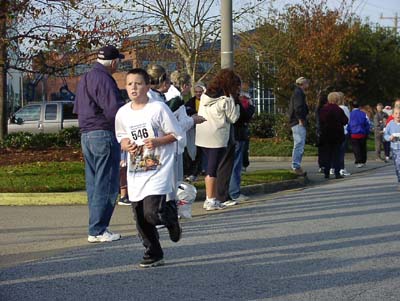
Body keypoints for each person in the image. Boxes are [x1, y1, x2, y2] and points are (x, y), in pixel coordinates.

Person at [115, 68, 183, 268]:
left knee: (151, 213)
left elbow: (175, 134)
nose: (133, 88)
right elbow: (121, 136)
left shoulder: (158, 108)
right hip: (136, 169)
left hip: (158, 167)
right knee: (139, 216)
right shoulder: (123, 113)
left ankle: (170, 218)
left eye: (138, 83)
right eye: (129, 84)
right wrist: (126, 144)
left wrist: (157, 141)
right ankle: (153, 252)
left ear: (146, 86)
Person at [73, 45, 125, 243]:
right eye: (118, 61)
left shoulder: (86, 77)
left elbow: (77, 107)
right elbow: (113, 110)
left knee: (94, 183)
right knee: (108, 183)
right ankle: (98, 229)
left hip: (87, 134)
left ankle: (95, 227)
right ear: (113, 62)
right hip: (103, 133)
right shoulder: (104, 79)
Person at [195, 68, 240, 210]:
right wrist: (237, 103)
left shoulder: (205, 96)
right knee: (212, 169)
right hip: (217, 136)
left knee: (210, 166)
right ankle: (210, 199)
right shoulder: (226, 99)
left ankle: (212, 198)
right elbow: (233, 118)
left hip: (203, 135)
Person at [228, 92, 255, 203]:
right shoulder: (237, 103)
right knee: (236, 165)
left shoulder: (228, 100)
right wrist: (251, 106)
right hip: (238, 135)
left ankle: (229, 191)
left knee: (231, 165)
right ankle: (234, 192)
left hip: (231, 135)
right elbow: (245, 116)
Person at [318, 92, 349, 179]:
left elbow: (320, 121)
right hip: (337, 134)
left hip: (326, 134)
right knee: (336, 154)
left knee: (327, 154)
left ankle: (327, 172)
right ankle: (337, 172)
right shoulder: (338, 110)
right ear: (337, 100)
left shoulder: (324, 109)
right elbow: (345, 121)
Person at [184, 82, 206, 182]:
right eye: (196, 92)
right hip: (193, 130)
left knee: (202, 152)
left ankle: (201, 169)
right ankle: (193, 172)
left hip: (205, 131)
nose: (198, 94)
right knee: (194, 152)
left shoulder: (207, 102)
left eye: (200, 92)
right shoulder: (190, 102)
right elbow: (187, 111)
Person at [288, 76, 309, 176]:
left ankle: (296, 164)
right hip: (297, 122)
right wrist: (300, 119)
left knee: (299, 143)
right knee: (299, 143)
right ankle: (296, 165)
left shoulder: (298, 93)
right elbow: (298, 107)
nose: (307, 85)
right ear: (302, 84)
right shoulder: (298, 93)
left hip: (296, 121)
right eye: (306, 83)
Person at [347, 100, 370, 168]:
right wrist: (367, 132)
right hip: (362, 133)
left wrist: (349, 132)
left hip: (354, 134)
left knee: (356, 148)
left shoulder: (350, 114)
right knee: (363, 147)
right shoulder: (363, 114)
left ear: (352, 106)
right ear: (359, 106)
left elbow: (348, 124)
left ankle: (358, 161)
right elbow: (367, 123)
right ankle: (363, 161)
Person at [384, 106, 400, 190]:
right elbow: (385, 135)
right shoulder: (390, 124)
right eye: (396, 113)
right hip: (395, 149)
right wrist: (389, 137)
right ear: (393, 115)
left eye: (399, 113)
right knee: (398, 166)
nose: (398, 115)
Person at [337, 92, 351, 176]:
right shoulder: (344, 108)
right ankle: (341, 168)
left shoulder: (332, 108)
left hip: (334, 131)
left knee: (335, 151)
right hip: (343, 131)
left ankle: (333, 167)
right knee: (341, 152)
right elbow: (348, 120)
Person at [315, 90, 328, 173]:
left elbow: (317, 121)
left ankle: (321, 165)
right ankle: (326, 165)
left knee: (321, 150)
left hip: (319, 130)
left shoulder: (317, 109)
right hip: (325, 130)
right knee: (327, 149)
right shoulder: (325, 109)